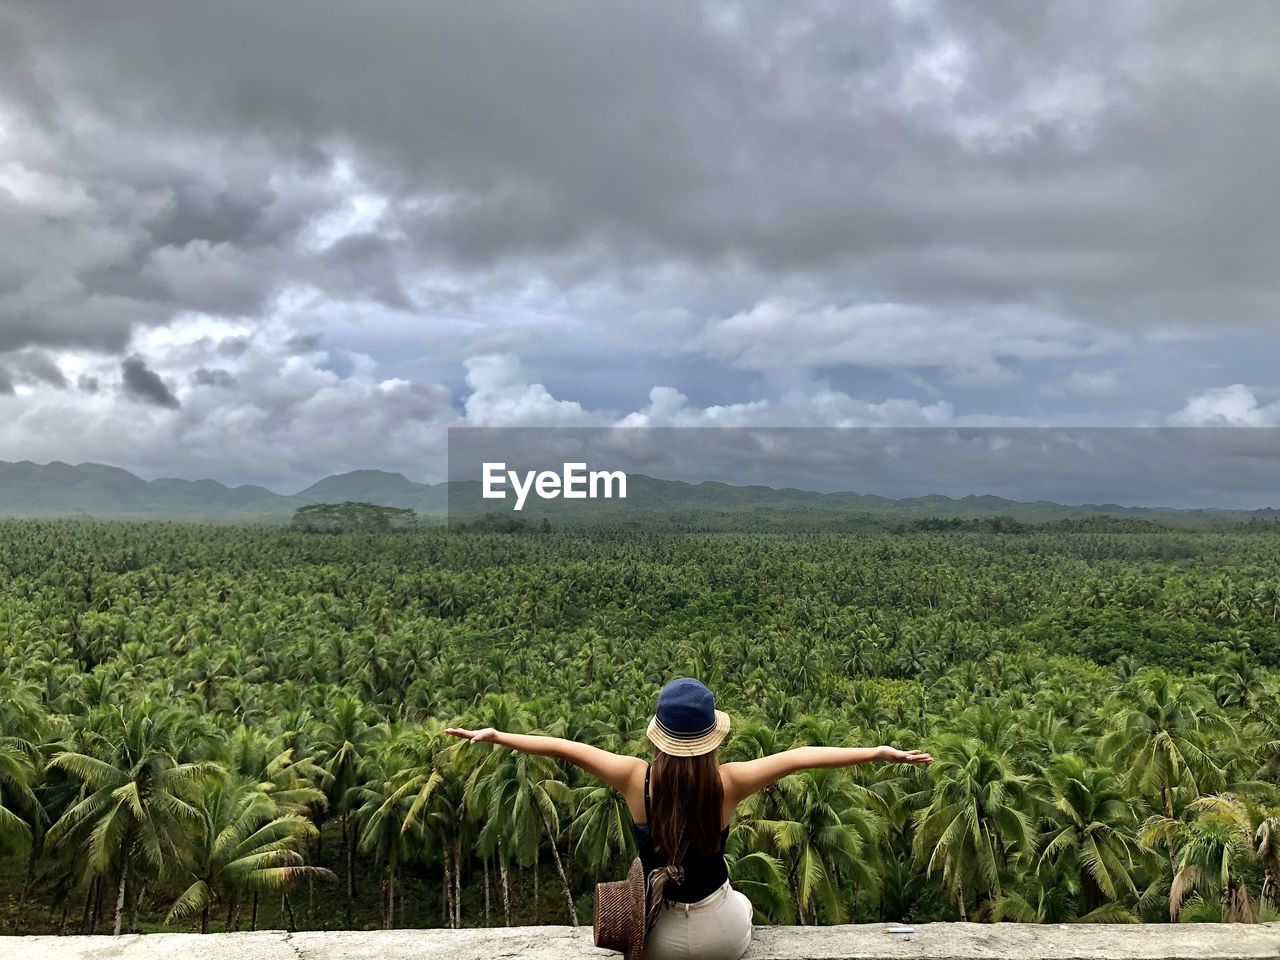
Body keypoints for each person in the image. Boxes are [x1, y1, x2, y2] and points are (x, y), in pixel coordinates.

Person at [447, 677, 932, 959]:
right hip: (721, 934)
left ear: (659, 735)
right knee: (738, 898)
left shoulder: (635, 778)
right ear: (710, 736)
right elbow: (801, 755)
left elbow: (563, 748)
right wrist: (878, 752)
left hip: (654, 937)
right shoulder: (729, 782)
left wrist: (497, 735)